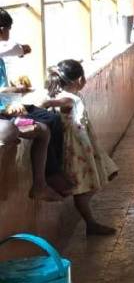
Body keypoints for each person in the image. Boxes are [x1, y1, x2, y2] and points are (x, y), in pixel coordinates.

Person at [33, 60, 119, 235]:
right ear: (79, 79)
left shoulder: (64, 95)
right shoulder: (69, 99)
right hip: (76, 148)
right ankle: (90, 223)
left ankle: (90, 222)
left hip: (80, 146)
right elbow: (50, 103)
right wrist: (42, 106)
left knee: (87, 185)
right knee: (83, 187)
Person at [0, 7, 67, 201]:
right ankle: (45, 181)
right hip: (5, 111)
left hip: (8, 107)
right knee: (42, 129)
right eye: (8, 30)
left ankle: (52, 175)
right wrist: (13, 95)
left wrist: (14, 91)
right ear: (2, 29)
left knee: (52, 119)